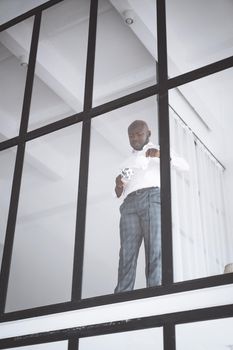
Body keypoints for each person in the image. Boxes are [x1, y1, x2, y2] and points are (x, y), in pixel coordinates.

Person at [114, 120, 188, 293]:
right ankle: (121, 296)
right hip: (129, 204)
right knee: (126, 253)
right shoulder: (126, 162)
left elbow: (184, 166)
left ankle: (155, 293)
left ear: (149, 133)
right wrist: (118, 185)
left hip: (152, 197)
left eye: (139, 133)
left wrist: (161, 155)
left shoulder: (158, 150)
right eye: (131, 135)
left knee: (155, 247)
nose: (135, 138)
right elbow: (118, 194)